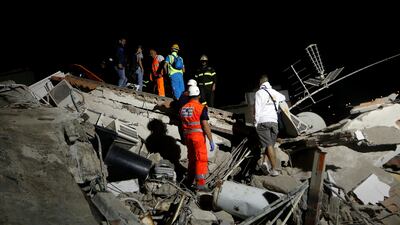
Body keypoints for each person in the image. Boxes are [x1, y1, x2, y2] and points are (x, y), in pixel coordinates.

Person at [179, 85, 214, 191]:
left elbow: (182, 123)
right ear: (198, 95)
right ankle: (200, 184)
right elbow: (205, 125)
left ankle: (189, 181)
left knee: (192, 159)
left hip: (187, 136)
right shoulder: (200, 108)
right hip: (197, 137)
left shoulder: (183, 108)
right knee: (201, 159)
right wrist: (210, 139)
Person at [254, 75, 286, 176]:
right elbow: (283, 98)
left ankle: (274, 169)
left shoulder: (259, 93)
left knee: (268, 145)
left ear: (260, 83)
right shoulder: (274, 92)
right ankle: (264, 162)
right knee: (270, 145)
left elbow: (257, 109)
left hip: (263, 121)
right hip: (274, 122)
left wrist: (256, 123)